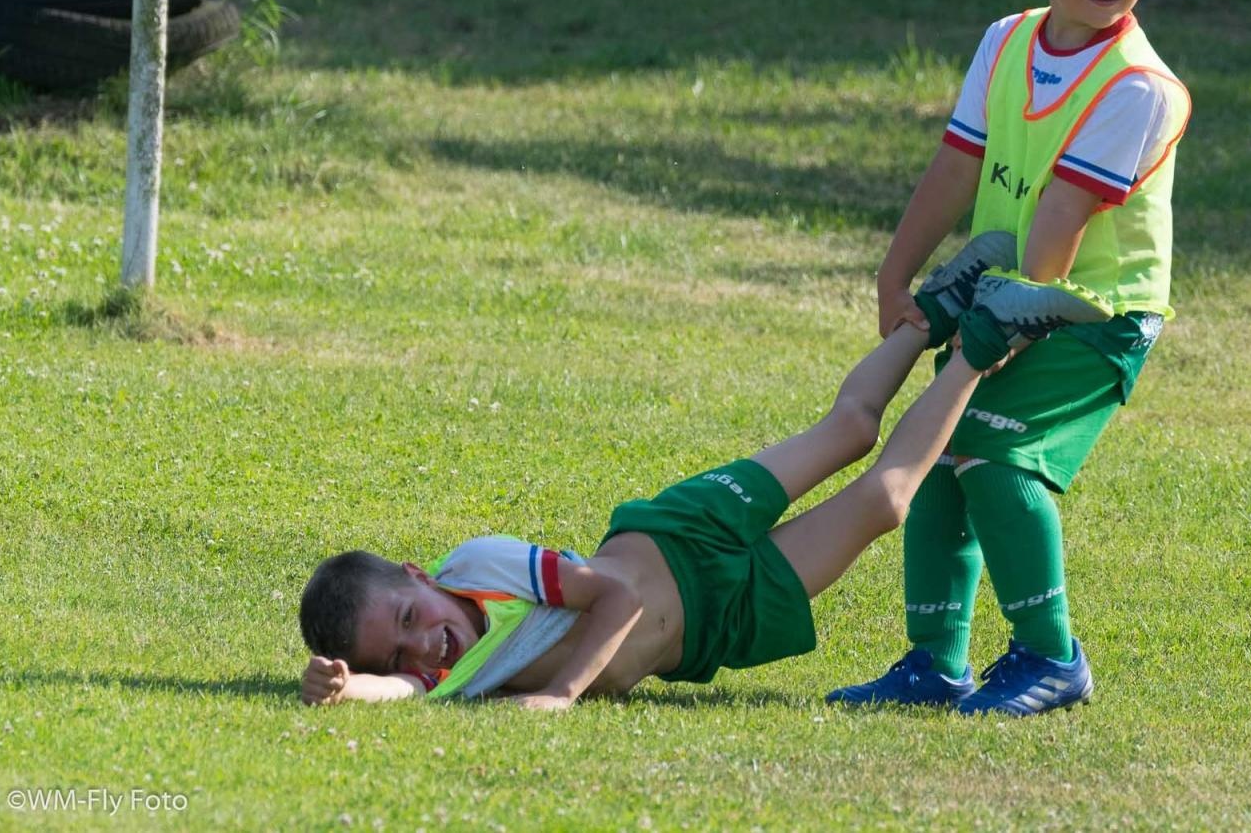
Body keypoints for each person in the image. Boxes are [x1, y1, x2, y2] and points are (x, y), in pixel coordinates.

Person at [297, 236, 1112, 709]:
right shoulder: (451, 681)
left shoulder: (478, 567)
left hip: (680, 533)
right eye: (396, 654)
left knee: (851, 429)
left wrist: (561, 694)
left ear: (420, 575)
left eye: (409, 616)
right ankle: (985, 337)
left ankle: (931, 313)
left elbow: (614, 596)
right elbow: (398, 696)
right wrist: (345, 689)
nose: (422, 645)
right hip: (717, 620)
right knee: (888, 501)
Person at [827, 0, 1191, 716]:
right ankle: (934, 664)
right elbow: (958, 164)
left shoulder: (1141, 87)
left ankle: (1051, 657)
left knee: (994, 455)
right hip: (1010, 295)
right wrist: (895, 271)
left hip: (1098, 315)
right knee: (939, 462)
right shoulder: (1007, 40)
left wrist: (1011, 326)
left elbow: (1063, 215)